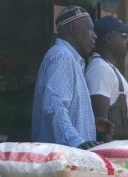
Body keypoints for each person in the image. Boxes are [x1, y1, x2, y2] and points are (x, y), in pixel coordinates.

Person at [31, 6, 98, 149]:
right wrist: (76, 142)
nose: (94, 36)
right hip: (64, 156)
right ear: (73, 29)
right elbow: (55, 108)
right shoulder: (62, 56)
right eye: (89, 29)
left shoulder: (71, 59)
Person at [85, 16, 128, 141]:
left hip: (125, 145)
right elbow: (101, 124)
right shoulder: (100, 69)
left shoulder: (106, 66)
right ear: (109, 38)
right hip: (116, 147)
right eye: (124, 37)